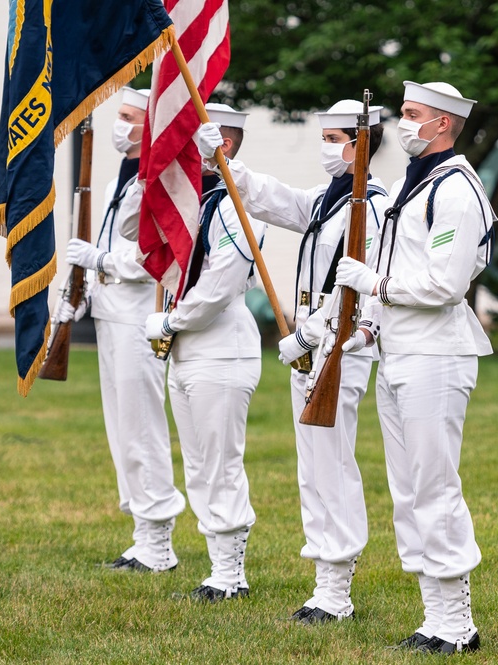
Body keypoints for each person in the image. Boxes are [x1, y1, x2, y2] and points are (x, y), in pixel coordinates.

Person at [192, 99, 389, 622]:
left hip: (337, 347)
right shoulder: (329, 200)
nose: (326, 148)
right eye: (322, 138)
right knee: (313, 468)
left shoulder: (372, 203)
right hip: (309, 347)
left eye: (334, 139)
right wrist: (224, 164)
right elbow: (269, 198)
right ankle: (326, 580)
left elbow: (357, 286)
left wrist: (312, 332)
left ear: (361, 143)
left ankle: (336, 588)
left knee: (332, 464)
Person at [333, 81, 496, 654]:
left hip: (436, 356)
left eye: (411, 115)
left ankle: (457, 623)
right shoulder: (418, 181)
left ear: (444, 125)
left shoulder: (455, 189)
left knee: (434, 486)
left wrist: (374, 284)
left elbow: (446, 284)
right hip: (399, 350)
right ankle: (435, 618)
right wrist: (371, 320)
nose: (401, 124)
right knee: (407, 491)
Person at [142, 104, 265, 602]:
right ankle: (218, 566)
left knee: (220, 462)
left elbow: (220, 285)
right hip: (188, 351)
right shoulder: (189, 203)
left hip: (222, 349)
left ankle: (231, 573)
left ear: (223, 145)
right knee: (196, 464)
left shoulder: (231, 205)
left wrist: (172, 320)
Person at [60, 86, 186, 572]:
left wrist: (102, 260)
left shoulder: (159, 175)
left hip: (139, 315)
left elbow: (156, 252)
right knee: (121, 429)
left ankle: (159, 542)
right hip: (111, 311)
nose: (121, 125)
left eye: (130, 116)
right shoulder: (124, 173)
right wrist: (85, 291)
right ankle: (142, 532)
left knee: (141, 427)